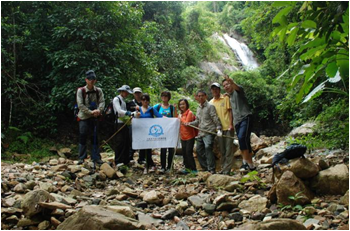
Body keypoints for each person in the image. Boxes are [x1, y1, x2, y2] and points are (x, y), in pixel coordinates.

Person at [222, 76, 256, 171]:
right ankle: (251, 164)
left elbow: (237, 87)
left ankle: (245, 162)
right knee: (245, 141)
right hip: (237, 121)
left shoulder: (238, 91)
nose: (226, 86)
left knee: (241, 138)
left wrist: (232, 82)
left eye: (227, 84)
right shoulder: (230, 96)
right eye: (224, 85)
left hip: (245, 117)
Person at [185, 90, 222, 174]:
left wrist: (218, 126)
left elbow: (214, 117)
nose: (200, 97)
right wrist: (189, 123)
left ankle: (211, 168)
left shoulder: (210, 106)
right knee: (198, 150)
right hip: (201, 132)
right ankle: (205, 168)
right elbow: (197, 121)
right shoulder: (198, 108)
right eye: (199, 96)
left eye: (202, 95)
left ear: (205, 96)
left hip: (209, 131)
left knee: (208, 147)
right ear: (197, 97)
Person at [76, 70, 105, 165]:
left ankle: (96, 157)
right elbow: (80, 105)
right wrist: (91, 112)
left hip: (95, 117)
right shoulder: (81, 91)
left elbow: (102, 102)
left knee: (95, 137)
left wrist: (99, 110)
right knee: (83, 136)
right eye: (89, 79)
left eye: (93, 79)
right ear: (86, 80)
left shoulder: (98, 91)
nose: (91, 81)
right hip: (84, 117)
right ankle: (81, 157)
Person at [209, 82, 234, 175]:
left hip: (228, 127)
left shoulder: (226, 98)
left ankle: (227, 171)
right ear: (211, 91)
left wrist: (231, 124)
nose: (215, 91)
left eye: (216, 89)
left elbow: (230, 112)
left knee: (228, 150)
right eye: (213, 89)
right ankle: (223, 168)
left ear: (219, 90)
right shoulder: (210, 103)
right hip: (218, 129)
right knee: (222, 150)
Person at [135, 93, 163, 174]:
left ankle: (148, 165)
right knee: (142, 148)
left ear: (149, 101)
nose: (145, 101)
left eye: (147, 100)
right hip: (141, 132)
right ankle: (147, 164)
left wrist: (171, 120)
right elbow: (134, 119)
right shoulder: (138, 109)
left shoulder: (151, 109)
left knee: (148, 149)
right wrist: (136, 116)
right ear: (141, 101)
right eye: (143, 100)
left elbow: (159, 116)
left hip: (150, 133)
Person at [154, 91, 178, 173]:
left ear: (169, 98)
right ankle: (163, 166)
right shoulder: (157, 106)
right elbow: (151, 112)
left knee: (170, 149)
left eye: (166, 96)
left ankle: (169, 166)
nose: (164, 97)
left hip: (170, 130)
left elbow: (175, 117)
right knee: (163, 149)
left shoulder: (171, 107)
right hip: (161, 131)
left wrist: (175, 109)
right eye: (163, 95)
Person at [113, 85, 134, 167]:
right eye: (126, 92)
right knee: (120, 142)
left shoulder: (124, 101)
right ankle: (118, 160)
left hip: (125, 123)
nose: (127, 94)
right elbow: (119, 111)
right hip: (118, 123)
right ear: (122, 91)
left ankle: (126, 160)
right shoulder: (116, 99)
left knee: (126, 141)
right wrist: (128, 113)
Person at [178, 98, 197, 174]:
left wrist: (179, 118)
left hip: (190, 136)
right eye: (180, 104)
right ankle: (187, 168)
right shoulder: (181, 114)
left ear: (186, 104)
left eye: (183, 104)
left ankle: (194, 169)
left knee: (189, 152)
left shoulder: (190, 113)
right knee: (184, 153)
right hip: (183, 136)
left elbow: (186, 123)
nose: (182, 106)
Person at [127, 87, 144, 164]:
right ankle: (130, 157)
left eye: (139, 93)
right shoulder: (130, 103)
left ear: (141, 93)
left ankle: (141, 158)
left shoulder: (144, 102)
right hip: (132, 124)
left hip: (142, 124)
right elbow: (126, 114)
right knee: (131, 140)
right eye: (136, 93)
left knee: (142, 140)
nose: (137, 94)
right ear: (133, 94)